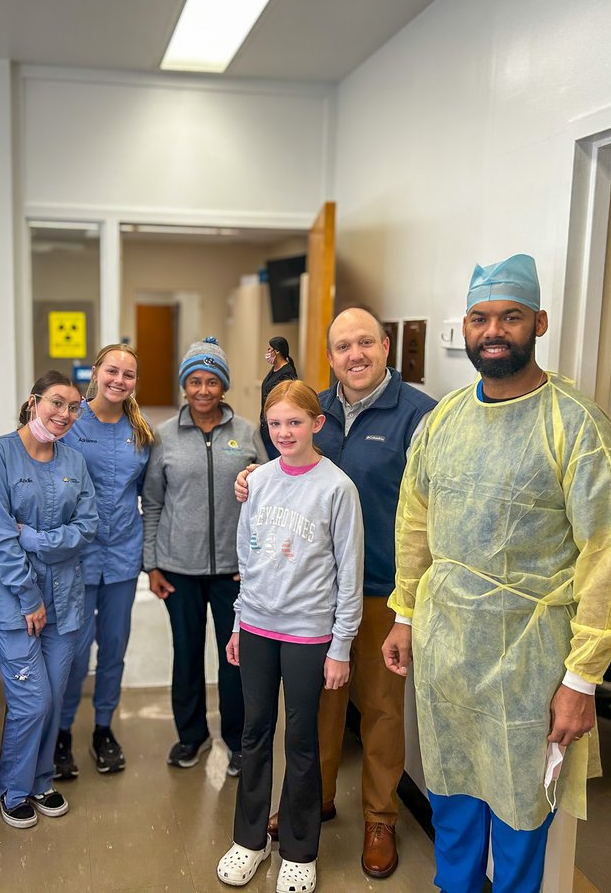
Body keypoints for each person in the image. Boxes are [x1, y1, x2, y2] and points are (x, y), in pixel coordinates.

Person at [382, 254, 611, 892]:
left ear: (539, 323)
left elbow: (609, 556)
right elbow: (415, 525)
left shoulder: (575, 425)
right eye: (480, 317)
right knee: (450, 789)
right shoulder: (443, 420)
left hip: (533, 658)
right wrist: (405, 615)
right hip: (446, 648)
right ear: (465, 327)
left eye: (510, 317)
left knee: (522, 808)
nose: (493, 330)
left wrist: (581, 678)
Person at [236, 307, 436, 878]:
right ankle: (313, 801)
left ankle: (379, 819)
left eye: (366, 342)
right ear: (330, 357)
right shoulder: (313, 409)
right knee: (315, 710)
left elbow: (430, 512)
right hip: (309, 599)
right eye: (344, 346)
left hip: (381, 592)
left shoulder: (418, 416)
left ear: (385, 347)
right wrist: (252, 476)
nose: (356, 355)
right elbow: (288, 471)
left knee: (378, 710)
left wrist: (409, 606)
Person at [216, 380, 363, 893]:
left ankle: (300, 849)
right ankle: (250, 841)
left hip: (308, 635)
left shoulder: (337, 488)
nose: (283, 432)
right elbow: (247, 556)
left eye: (294, 422)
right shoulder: (257, 482)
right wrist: (238, 623)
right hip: (257, 627)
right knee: (254, 734)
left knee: (302, 740)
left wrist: (340, 646)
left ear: (317, 424)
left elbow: (350, 572)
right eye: (275, 423)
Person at [0, 370, 97, 829]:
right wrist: (29, 598)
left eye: (73, 407)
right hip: (13, 601)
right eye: (56, 403)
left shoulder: (74, 461)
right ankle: (12, 788)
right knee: (33, 700)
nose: (64, 414)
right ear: (33, 402)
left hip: (65, 600)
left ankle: (42, 779)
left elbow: (87, 529)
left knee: (56, 694)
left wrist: (36, 538)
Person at [142, 336, 266, 775]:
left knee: (235, 659)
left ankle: (237, 741)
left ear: (223, 386)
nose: (202, 390)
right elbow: (153, 502)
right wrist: (152, 563)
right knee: (187, 653)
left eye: (211, 381)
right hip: (179, 570)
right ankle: (191, 737)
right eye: (194, 381)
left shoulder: (247, 433)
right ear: (184, 386)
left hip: (235, 573)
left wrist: (258, 562)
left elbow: (269, 497)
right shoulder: (164, 436)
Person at [55, 343, 154, 778]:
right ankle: (60, 732)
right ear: (95, 372)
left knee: (114, 647)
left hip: (122, 555)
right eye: (111, 371)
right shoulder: (71, 422)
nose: (119, 380)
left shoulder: (142, 430)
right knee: (74, 651)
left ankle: (102, 728)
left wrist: (151, 559)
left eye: (128, 375)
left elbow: (149, 497)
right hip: (76, 556)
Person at [258, 336, 297, 460]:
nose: (268, 353)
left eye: (270, 349)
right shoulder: (274, 370)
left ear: (277, 351)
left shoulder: (287, 373)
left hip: (278, 426)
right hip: (266, 423)